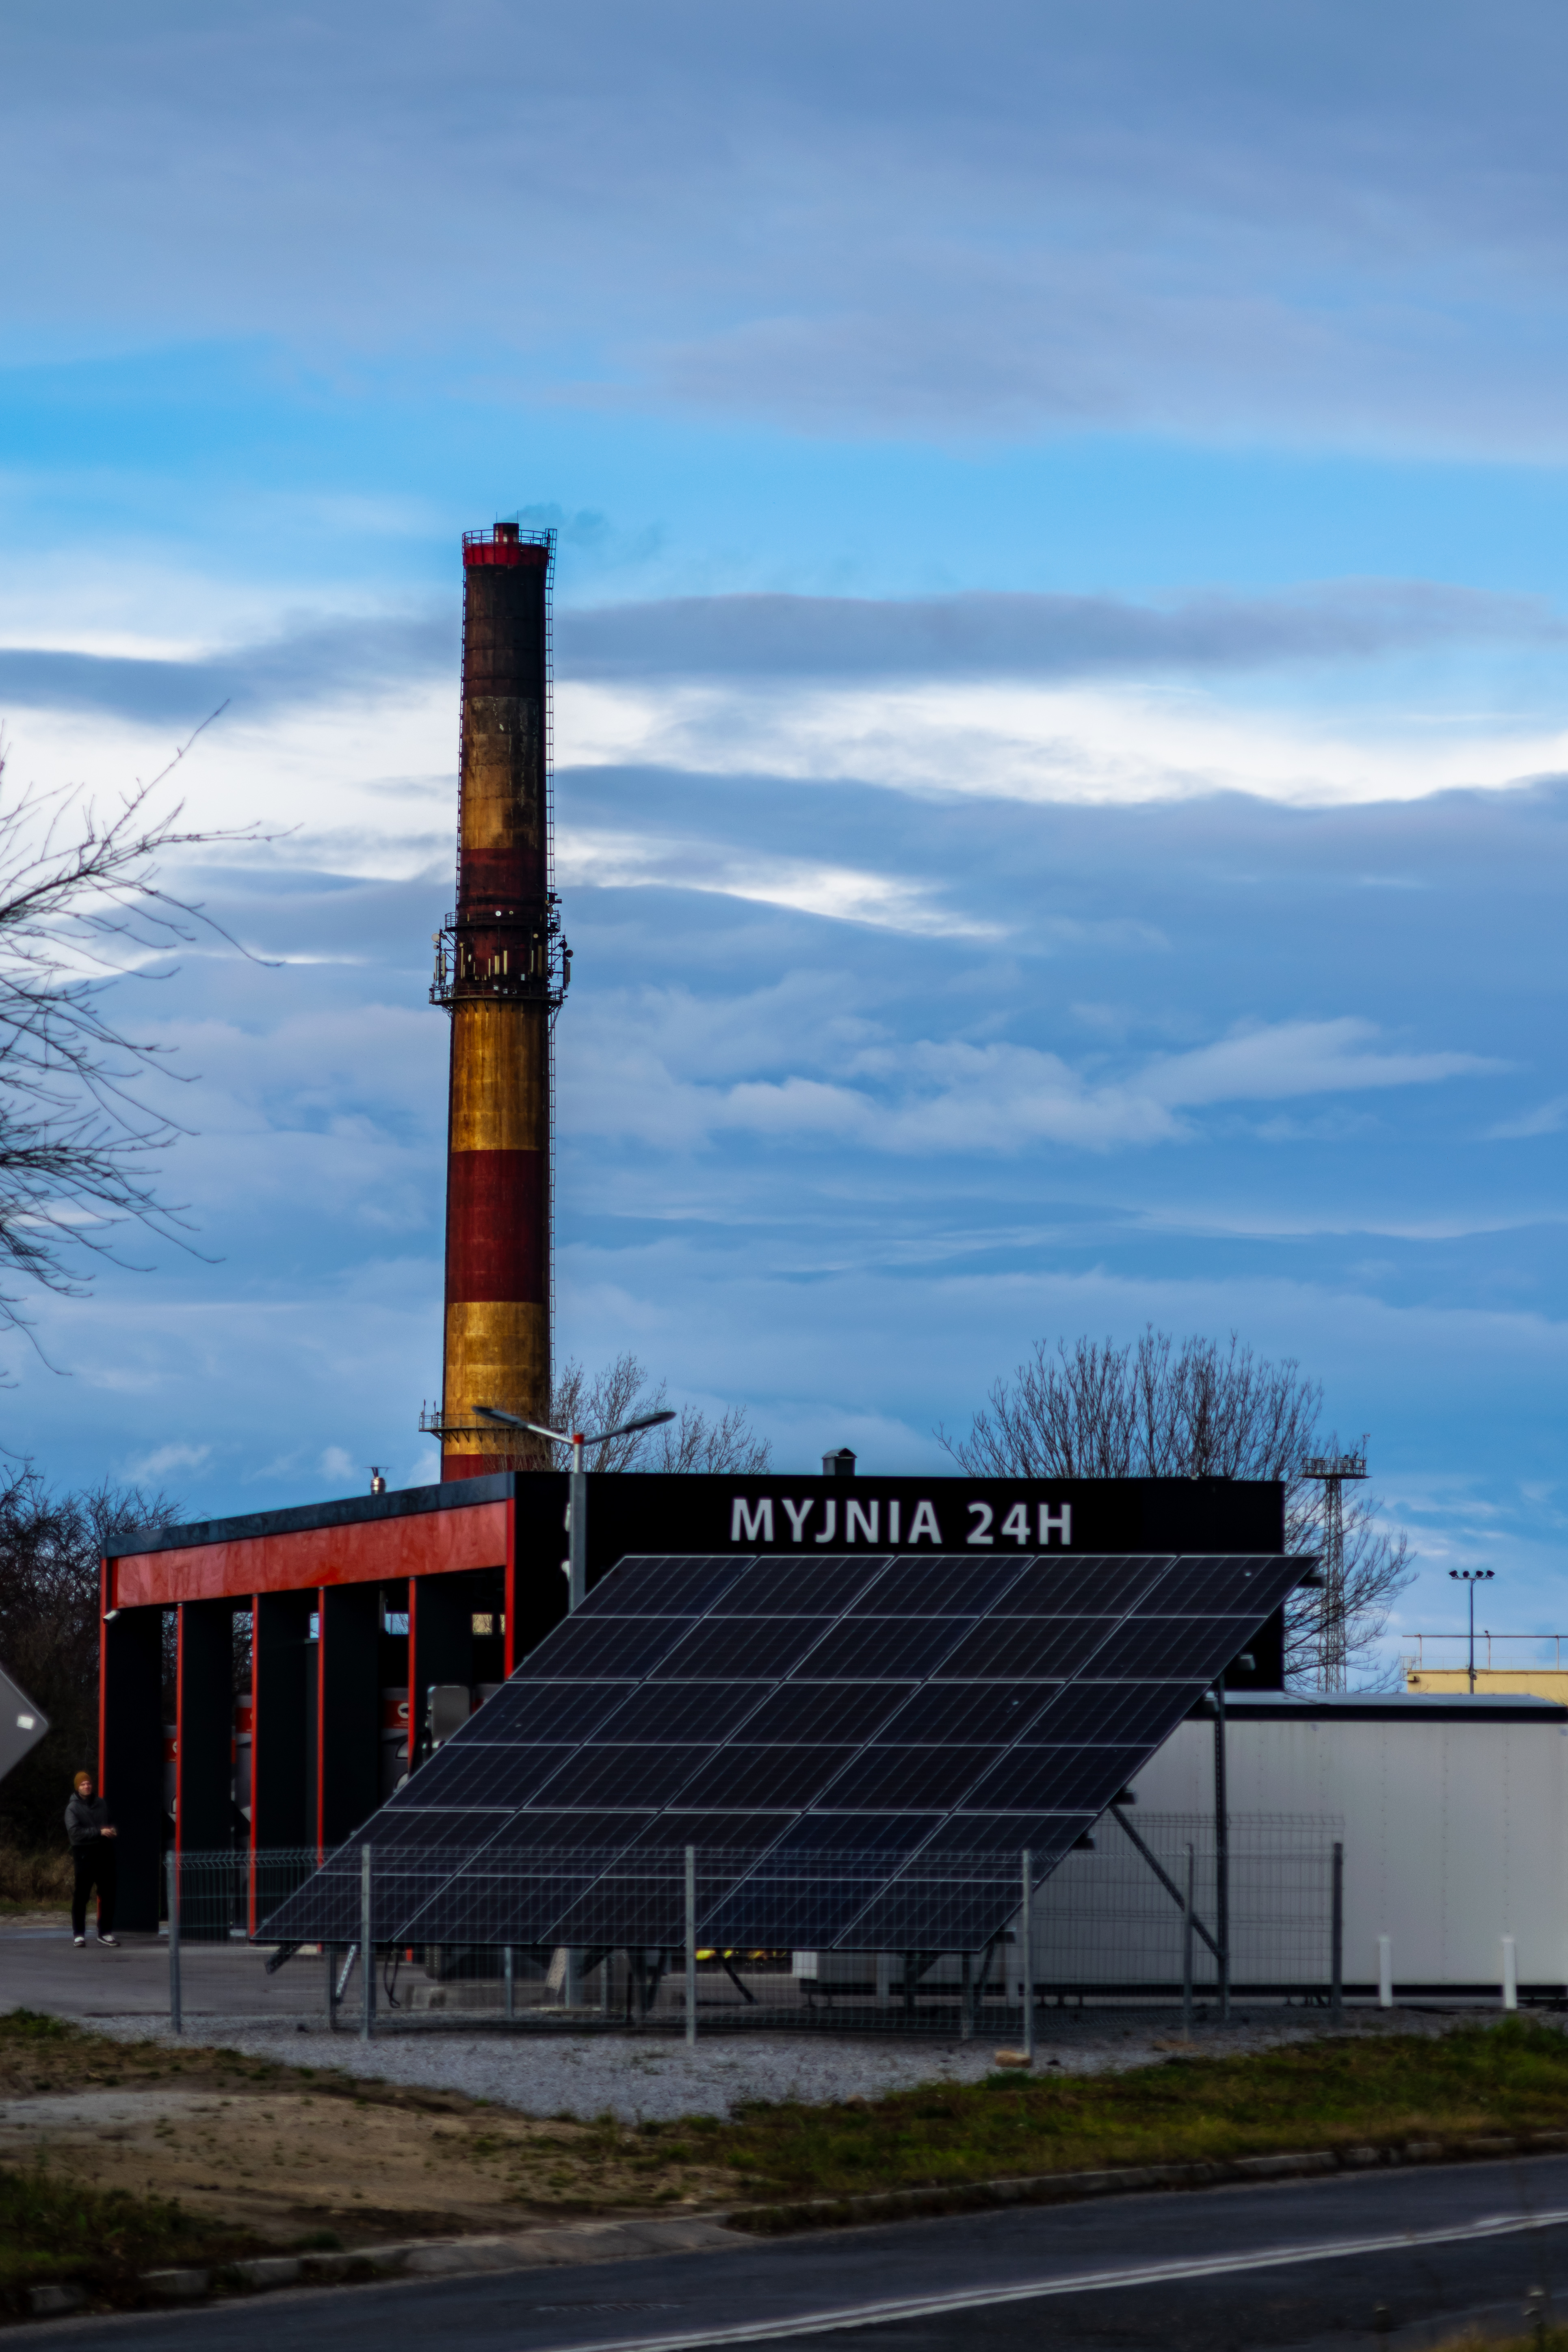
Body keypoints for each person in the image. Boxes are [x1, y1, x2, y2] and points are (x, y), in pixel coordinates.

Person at [65, 1771, 118, 1946]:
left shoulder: (101, 1803)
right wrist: (99, 1832)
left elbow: (110, 1822)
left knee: (108, 1894)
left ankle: (105, 1933)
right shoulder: (72, 1808)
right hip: (84, 1856)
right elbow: (75, 1833)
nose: (87, 1786)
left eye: (89, 1783)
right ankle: (79, 1935)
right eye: (83, 1784)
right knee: (82, 1896)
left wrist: (112, 1830)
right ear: (77, 1788)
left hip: (104, 1854)